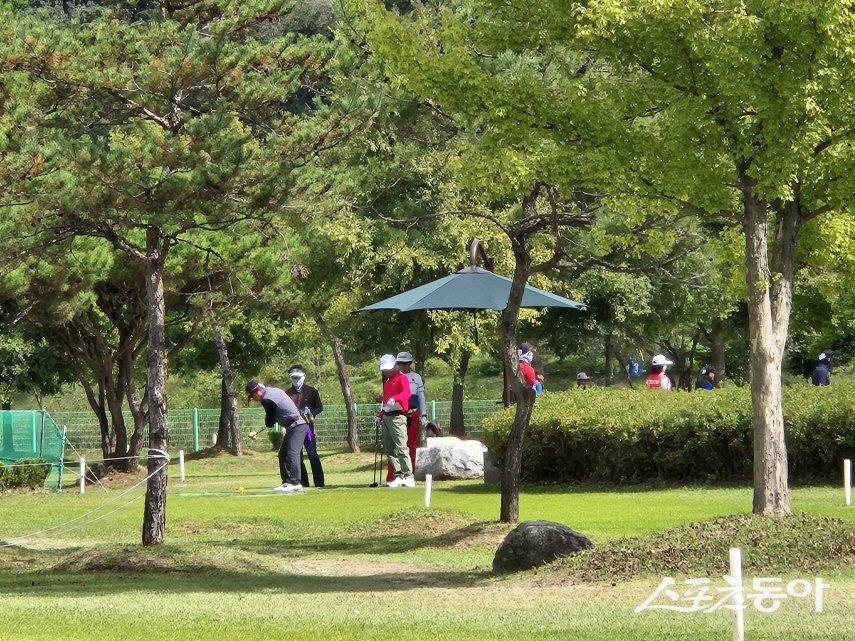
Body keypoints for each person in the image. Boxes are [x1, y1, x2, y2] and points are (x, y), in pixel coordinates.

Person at [245, 379, 308, 492]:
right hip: (293, 426)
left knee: (292, 453)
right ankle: (287, 483)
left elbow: (269, 421)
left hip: (297, 425)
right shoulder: (272, 391)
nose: (254, 399)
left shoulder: (267, 399)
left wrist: (259, 430)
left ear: (257, 391)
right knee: (283, 454)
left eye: (252, 396)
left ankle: (295, 482)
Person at [375, 353, 414, 487]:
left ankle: (408, 476)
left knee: (402, 447)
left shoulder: (401, 378)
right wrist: (380, 415)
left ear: (395, 367)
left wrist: (396, 398)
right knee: (390, 448)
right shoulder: (387, 382)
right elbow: (385, 402)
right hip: (387, 416)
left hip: (398, 416)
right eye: (384, 370)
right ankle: (398, 475)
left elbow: (406, 393)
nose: (386, 372)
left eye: (388, 369)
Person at [386, 352, 426, 482]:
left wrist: (423, 414)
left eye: (406, 363)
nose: (403, 366)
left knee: (410, 445)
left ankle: (409, 474)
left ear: (410, 364)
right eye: (400, 363)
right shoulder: (393, 377)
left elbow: (421, 397)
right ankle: (394, 476)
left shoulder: (416, 377)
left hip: (412, 413)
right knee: (394, 445)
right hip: (397, 413)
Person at [285, 364, 325, 488]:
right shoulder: (287, 393)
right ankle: (303, 482)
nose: (296, 380)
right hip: (293, 429)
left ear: (304, 376)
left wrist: (311, 414)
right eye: (294, 378)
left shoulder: (311, 391)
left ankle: (319, 483)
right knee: (297, 455)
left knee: (312, 454)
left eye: (298, 377)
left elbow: (320, 407)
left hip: (308, 427)